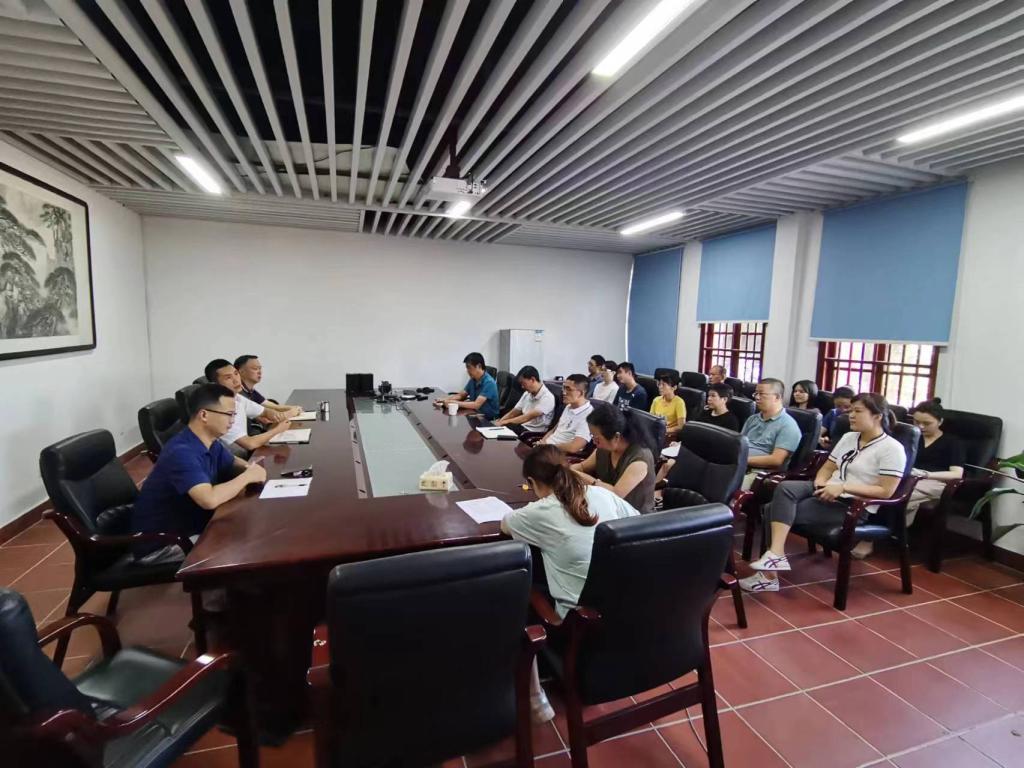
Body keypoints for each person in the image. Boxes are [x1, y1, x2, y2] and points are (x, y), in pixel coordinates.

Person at [501, 445, 639, 722]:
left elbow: (506, 524)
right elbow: (638, 522)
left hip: (580, 624)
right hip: (627, 608)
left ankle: (535, 698)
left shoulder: (540, 512)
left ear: (532, 482)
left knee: (517, 588)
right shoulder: (602, 495)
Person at [741, 393, 906, 592]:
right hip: (826, 490)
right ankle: (775, 556)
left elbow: (886, 491)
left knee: (770, 509)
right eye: (851, 410)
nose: (851, 415)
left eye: (858, 411)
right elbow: (828, 467)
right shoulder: (849, 437)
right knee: (784, 487)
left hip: (851, 504)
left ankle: (770, 575)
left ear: (877, 416)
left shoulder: (892, 449)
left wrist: (843, 487)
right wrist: (820, 482)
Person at [129, 383, 268, 562]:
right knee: (250, 541)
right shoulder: (181, 452)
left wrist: (251, 468)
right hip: (164, 545)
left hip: (192, 526)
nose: (233, 420)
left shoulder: (209, 441)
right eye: (229, 414)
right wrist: (248, 477)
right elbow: (209, 499)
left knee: (253, 525)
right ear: (204, 415)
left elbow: (233, 463)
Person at [572, 406, 656, 513]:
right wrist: (567, 470)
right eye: (592, 436)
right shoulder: (604, 449)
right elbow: (582, 467)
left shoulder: (640, 459)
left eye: (597, 438)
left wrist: (584, 478)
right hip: (607, 507)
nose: (594, 442)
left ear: (616, 437)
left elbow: (616, 494)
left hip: (633, 515)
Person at [205, 359, 295, 454]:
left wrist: (275, 415)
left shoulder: (237, 397)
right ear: (215, 385)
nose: (236, 380)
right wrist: (278, 430)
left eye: (236, 374)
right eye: (228, 378)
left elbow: (265, 411)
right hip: (233, 458)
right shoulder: (218, 411)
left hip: (244, 453)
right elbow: (250, 444)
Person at [741, 378, 803, 475]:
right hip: (739, 465)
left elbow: (776, 460)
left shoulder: (788, 425)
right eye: (756, 394)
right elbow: (740, 444)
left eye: (761, 394)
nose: (757, 397)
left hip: (759, 473)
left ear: (777, 397)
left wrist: (741, 459)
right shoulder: (752, 419)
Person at [436, 352, 500, 419]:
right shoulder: (473, 379)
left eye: (469, 367)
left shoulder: (489, 383)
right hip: (474, 413)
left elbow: (476, 405)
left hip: (487, 418)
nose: (467, 371)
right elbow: (461, 395)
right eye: (467, 368)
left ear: (479, 366)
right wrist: (445, 399)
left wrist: (454, 403)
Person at [540, 374, 594, 453]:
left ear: (581, 393)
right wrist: (542, 442)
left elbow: (574, 447)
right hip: (548, 449)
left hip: (560, 454)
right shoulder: (569, 406)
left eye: (568, 389)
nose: (563, 392)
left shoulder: (589, 415)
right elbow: (554, 430)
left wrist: (547, 447)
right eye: (563, 388)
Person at [233, 354, 303, 416]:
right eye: (255, 369)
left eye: (260, 368)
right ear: (241, 372)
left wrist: (293, 408)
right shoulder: (237, 392)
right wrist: (291, 411)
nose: (259, 372)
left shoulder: (250, 390)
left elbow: (274, 407)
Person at [494, 366, 555, 434]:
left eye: (523, 383)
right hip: (522, 427)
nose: (522, 387)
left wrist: (504, 422)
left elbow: (526, 417)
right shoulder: (527, 394)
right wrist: (500, 421)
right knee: (497, 430)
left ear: (532, 379)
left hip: (532, 432)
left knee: (501, 432)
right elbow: (513, 413)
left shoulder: (547, 397)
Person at [649, 371, 686, 439]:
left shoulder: (679, 402)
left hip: (670, 436)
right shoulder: (656, 400)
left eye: (663, 385)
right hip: (656, 434)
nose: (660, 387)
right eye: (659, 384)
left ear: (674, 387)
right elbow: (650, 420)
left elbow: (681, 427)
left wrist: (663, 431)